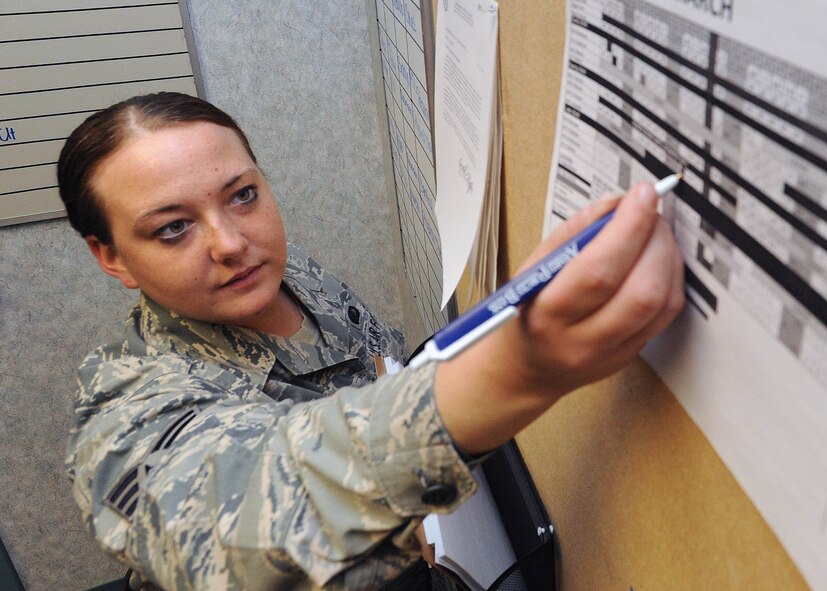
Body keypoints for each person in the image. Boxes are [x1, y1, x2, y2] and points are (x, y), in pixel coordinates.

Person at [58, 92, 684, 590]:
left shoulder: (280, 273)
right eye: (173, 229)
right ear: (111, 257)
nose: (229, 242)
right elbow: (232, 529)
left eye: (243, 195)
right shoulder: (127, 401)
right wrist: (517, 370)